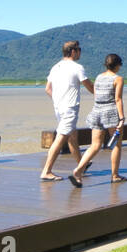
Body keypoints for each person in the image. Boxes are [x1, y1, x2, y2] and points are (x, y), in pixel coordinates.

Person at [40, 41, 96, 182]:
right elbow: (90, 86)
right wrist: (104, 95)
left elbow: (47, 89)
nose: (80, 52)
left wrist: (58, 100)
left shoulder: (55, 67)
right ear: (73, 51)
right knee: (61, 138)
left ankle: (81, 165)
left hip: (59, 108)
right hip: (69, 108)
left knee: (72, 137)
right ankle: (47, 171)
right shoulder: (77, 67)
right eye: (79, 49)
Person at [71, 53, 127, 186]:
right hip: (110, 112)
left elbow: (96, 95)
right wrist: (122, 118)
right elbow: (118, 99)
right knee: (116, 145)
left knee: (95, 145)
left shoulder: (99, 77)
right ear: (118, 65)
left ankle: (78, 170)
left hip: (96, 112)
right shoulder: (118, 79)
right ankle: (115, 175)